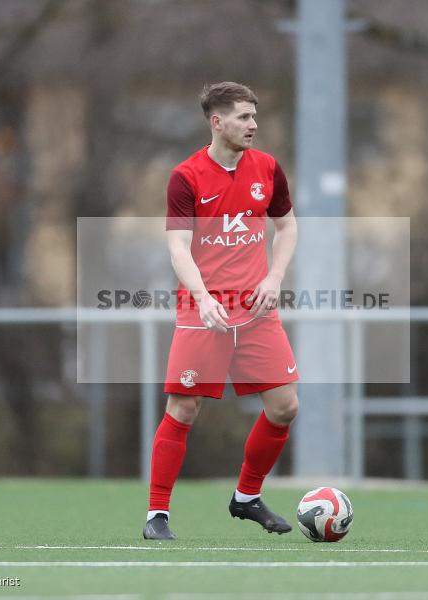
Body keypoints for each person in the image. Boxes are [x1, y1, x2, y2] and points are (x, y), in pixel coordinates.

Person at [143, 82, 299, 540]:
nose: (253, 125)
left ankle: (246, 497)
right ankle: (156, 515)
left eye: (254, 116)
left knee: (285, 407)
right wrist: (204, 297)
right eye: (244, 117)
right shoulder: (186, 177)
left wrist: (274, 278)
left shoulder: (267, 168)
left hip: (255, 310)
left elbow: (287, 227)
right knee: (183, 408)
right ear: (217, 122)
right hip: (203, 311)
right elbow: (178, 247)